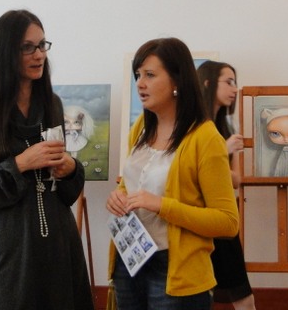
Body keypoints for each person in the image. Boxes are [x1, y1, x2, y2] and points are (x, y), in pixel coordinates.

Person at [0, 9, 95, 310]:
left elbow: (64, 193)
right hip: (10, 254)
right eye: (28, 47)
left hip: (59, 247)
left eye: (42, 45)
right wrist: (20, 164)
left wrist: (70, 169)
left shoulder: (52, 104)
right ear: (6, 51)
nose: (39, 54)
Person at [106, 38, 239, 310]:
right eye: (138, 75)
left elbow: (227, 222)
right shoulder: (142, 126)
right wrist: (118, 197)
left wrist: (162, 205)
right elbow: (131, 183)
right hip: (129, 259)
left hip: (175, 270)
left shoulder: (205, 138)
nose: (140, 84)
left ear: (177, 81)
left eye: (150, 75)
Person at [196, 60, 256, 310]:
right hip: (196, 217)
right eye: (229, 82)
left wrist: (223, 152)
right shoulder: (192, 125)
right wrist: (223, 150)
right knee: (199, 290)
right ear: (207, 83)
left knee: (241, 291)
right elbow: (190, 172)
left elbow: (235, 180)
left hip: (222, 216)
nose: (234, 89)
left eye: (235, 82)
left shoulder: (226, 127)